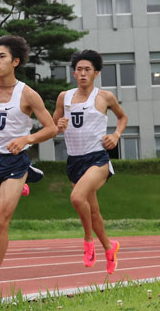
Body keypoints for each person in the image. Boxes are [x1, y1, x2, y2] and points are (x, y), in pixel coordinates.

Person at [0, 36, 57, 299]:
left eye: (2, 57)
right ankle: (22, 186)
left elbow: (51, 128)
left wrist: (27, 139)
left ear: (15, 61)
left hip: (15, 162)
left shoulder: (27, 94)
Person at [52, 50, 127, 274]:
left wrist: (116, 136)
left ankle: (87, 241)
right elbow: (52, 123)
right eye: (79, 69)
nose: (83, 73)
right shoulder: (64, 97)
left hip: (97, 158)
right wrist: (58, 126)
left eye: (88, 69)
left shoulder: (104, 97)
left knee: (77, 198)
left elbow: (122, 117)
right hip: (74, 160)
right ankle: (109, 247)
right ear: (74, 73)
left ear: (95, 73)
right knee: (93, 212)